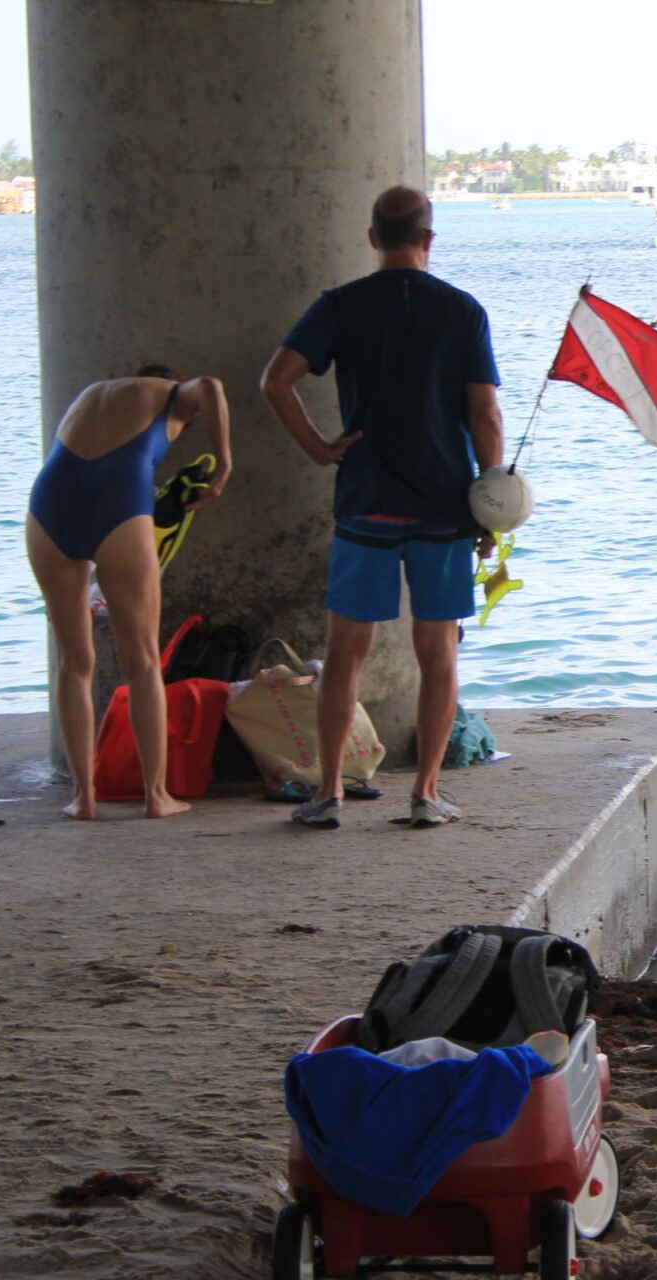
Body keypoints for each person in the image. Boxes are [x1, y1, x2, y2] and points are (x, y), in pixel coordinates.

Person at [261, 186, 503, 831]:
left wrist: (320, 449)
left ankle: (330, 794)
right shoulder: (462, 311)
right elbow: (484, 413)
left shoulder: (339, 307)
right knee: (439, 652)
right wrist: (492, 497)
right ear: (429, 240)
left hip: (365, 500)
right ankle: (425, 792)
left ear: (372, 238)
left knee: (345, 654)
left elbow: (274, 381)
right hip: (443, 503)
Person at [26, 365, 232, 820]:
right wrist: (223, 465)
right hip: (117, 502)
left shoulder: (93, 391)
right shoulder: (174, 395)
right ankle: (156, 796)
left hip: (48, 507)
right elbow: (212, 387)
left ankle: (83, 797)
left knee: (74, 661)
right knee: (140, 662)